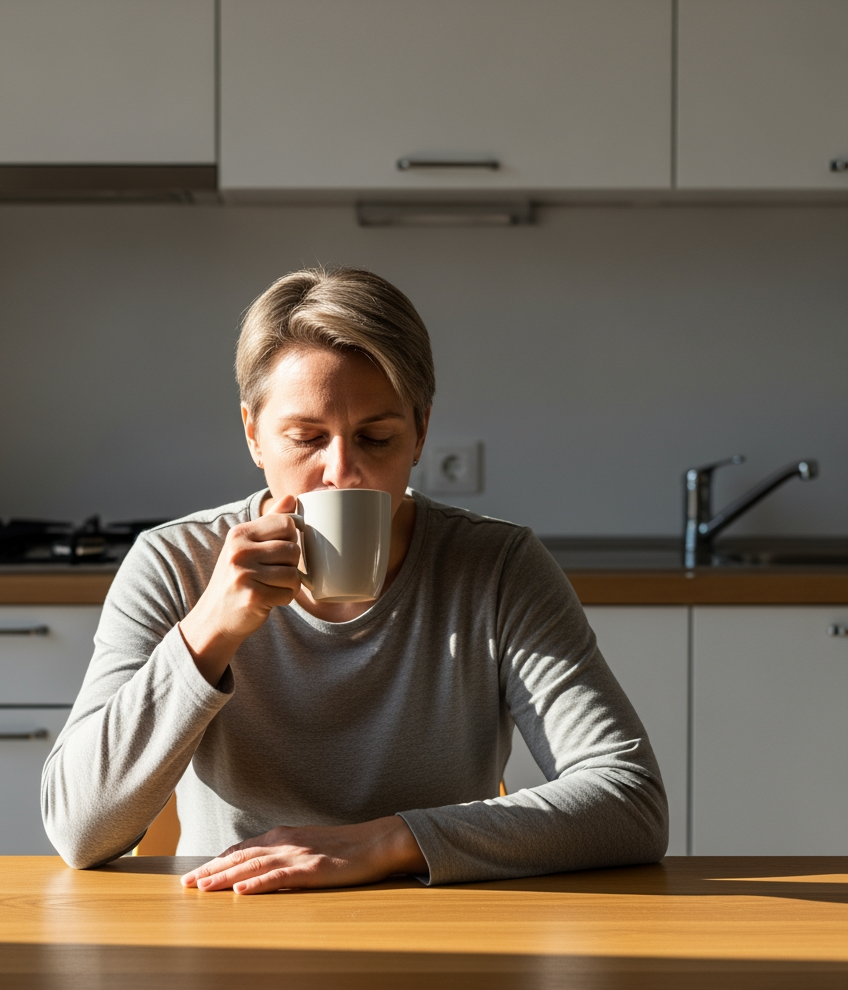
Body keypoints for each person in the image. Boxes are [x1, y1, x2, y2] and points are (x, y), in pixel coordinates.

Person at [42, 266, 667, 893]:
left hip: (442, 926)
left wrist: (387, 842)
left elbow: (630, 798)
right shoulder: (175, 564)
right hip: (234, 919)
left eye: (377, 437)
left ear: (420, 433)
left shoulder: (496, 567)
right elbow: (79, 831)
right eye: (306, 438)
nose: (342, 471)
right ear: (254, 434)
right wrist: (209, 631)